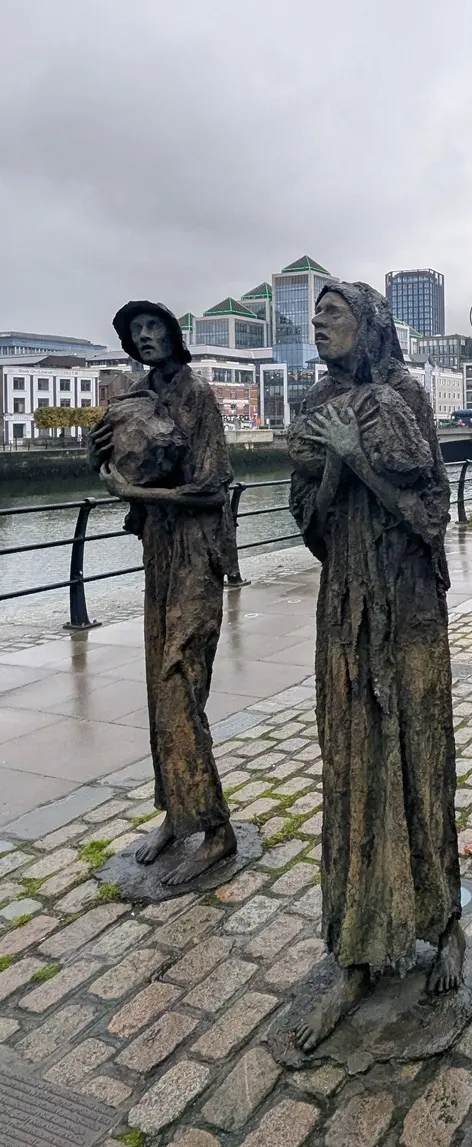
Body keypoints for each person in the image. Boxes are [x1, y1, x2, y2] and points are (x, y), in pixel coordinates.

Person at [285, 281, 462, 1051]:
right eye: (315, 316)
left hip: (409, 607)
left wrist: (360, 460)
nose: (319, 326)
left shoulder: (405, 395)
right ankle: (357, 945)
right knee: (353, 764)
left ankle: (441, 921)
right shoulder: (318, 397)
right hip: (347, 608)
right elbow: (309, 521)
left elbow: (430, 510)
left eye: (334, 315)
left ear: (370, 325)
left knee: (420, 756)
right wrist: (334, 469)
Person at [88, 302, 236, 886]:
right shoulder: (134, 394)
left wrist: (138, 493)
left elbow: (209, 491)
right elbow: (123, 470)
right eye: (135, 331)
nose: (145, 336)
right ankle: (177, 813)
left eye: (154, 328)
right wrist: (99, 457)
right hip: (160, 552)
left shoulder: (198, 394)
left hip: (198, 553)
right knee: (157, 683)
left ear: (175, 335)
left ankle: (215, 828)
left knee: (179, 680)